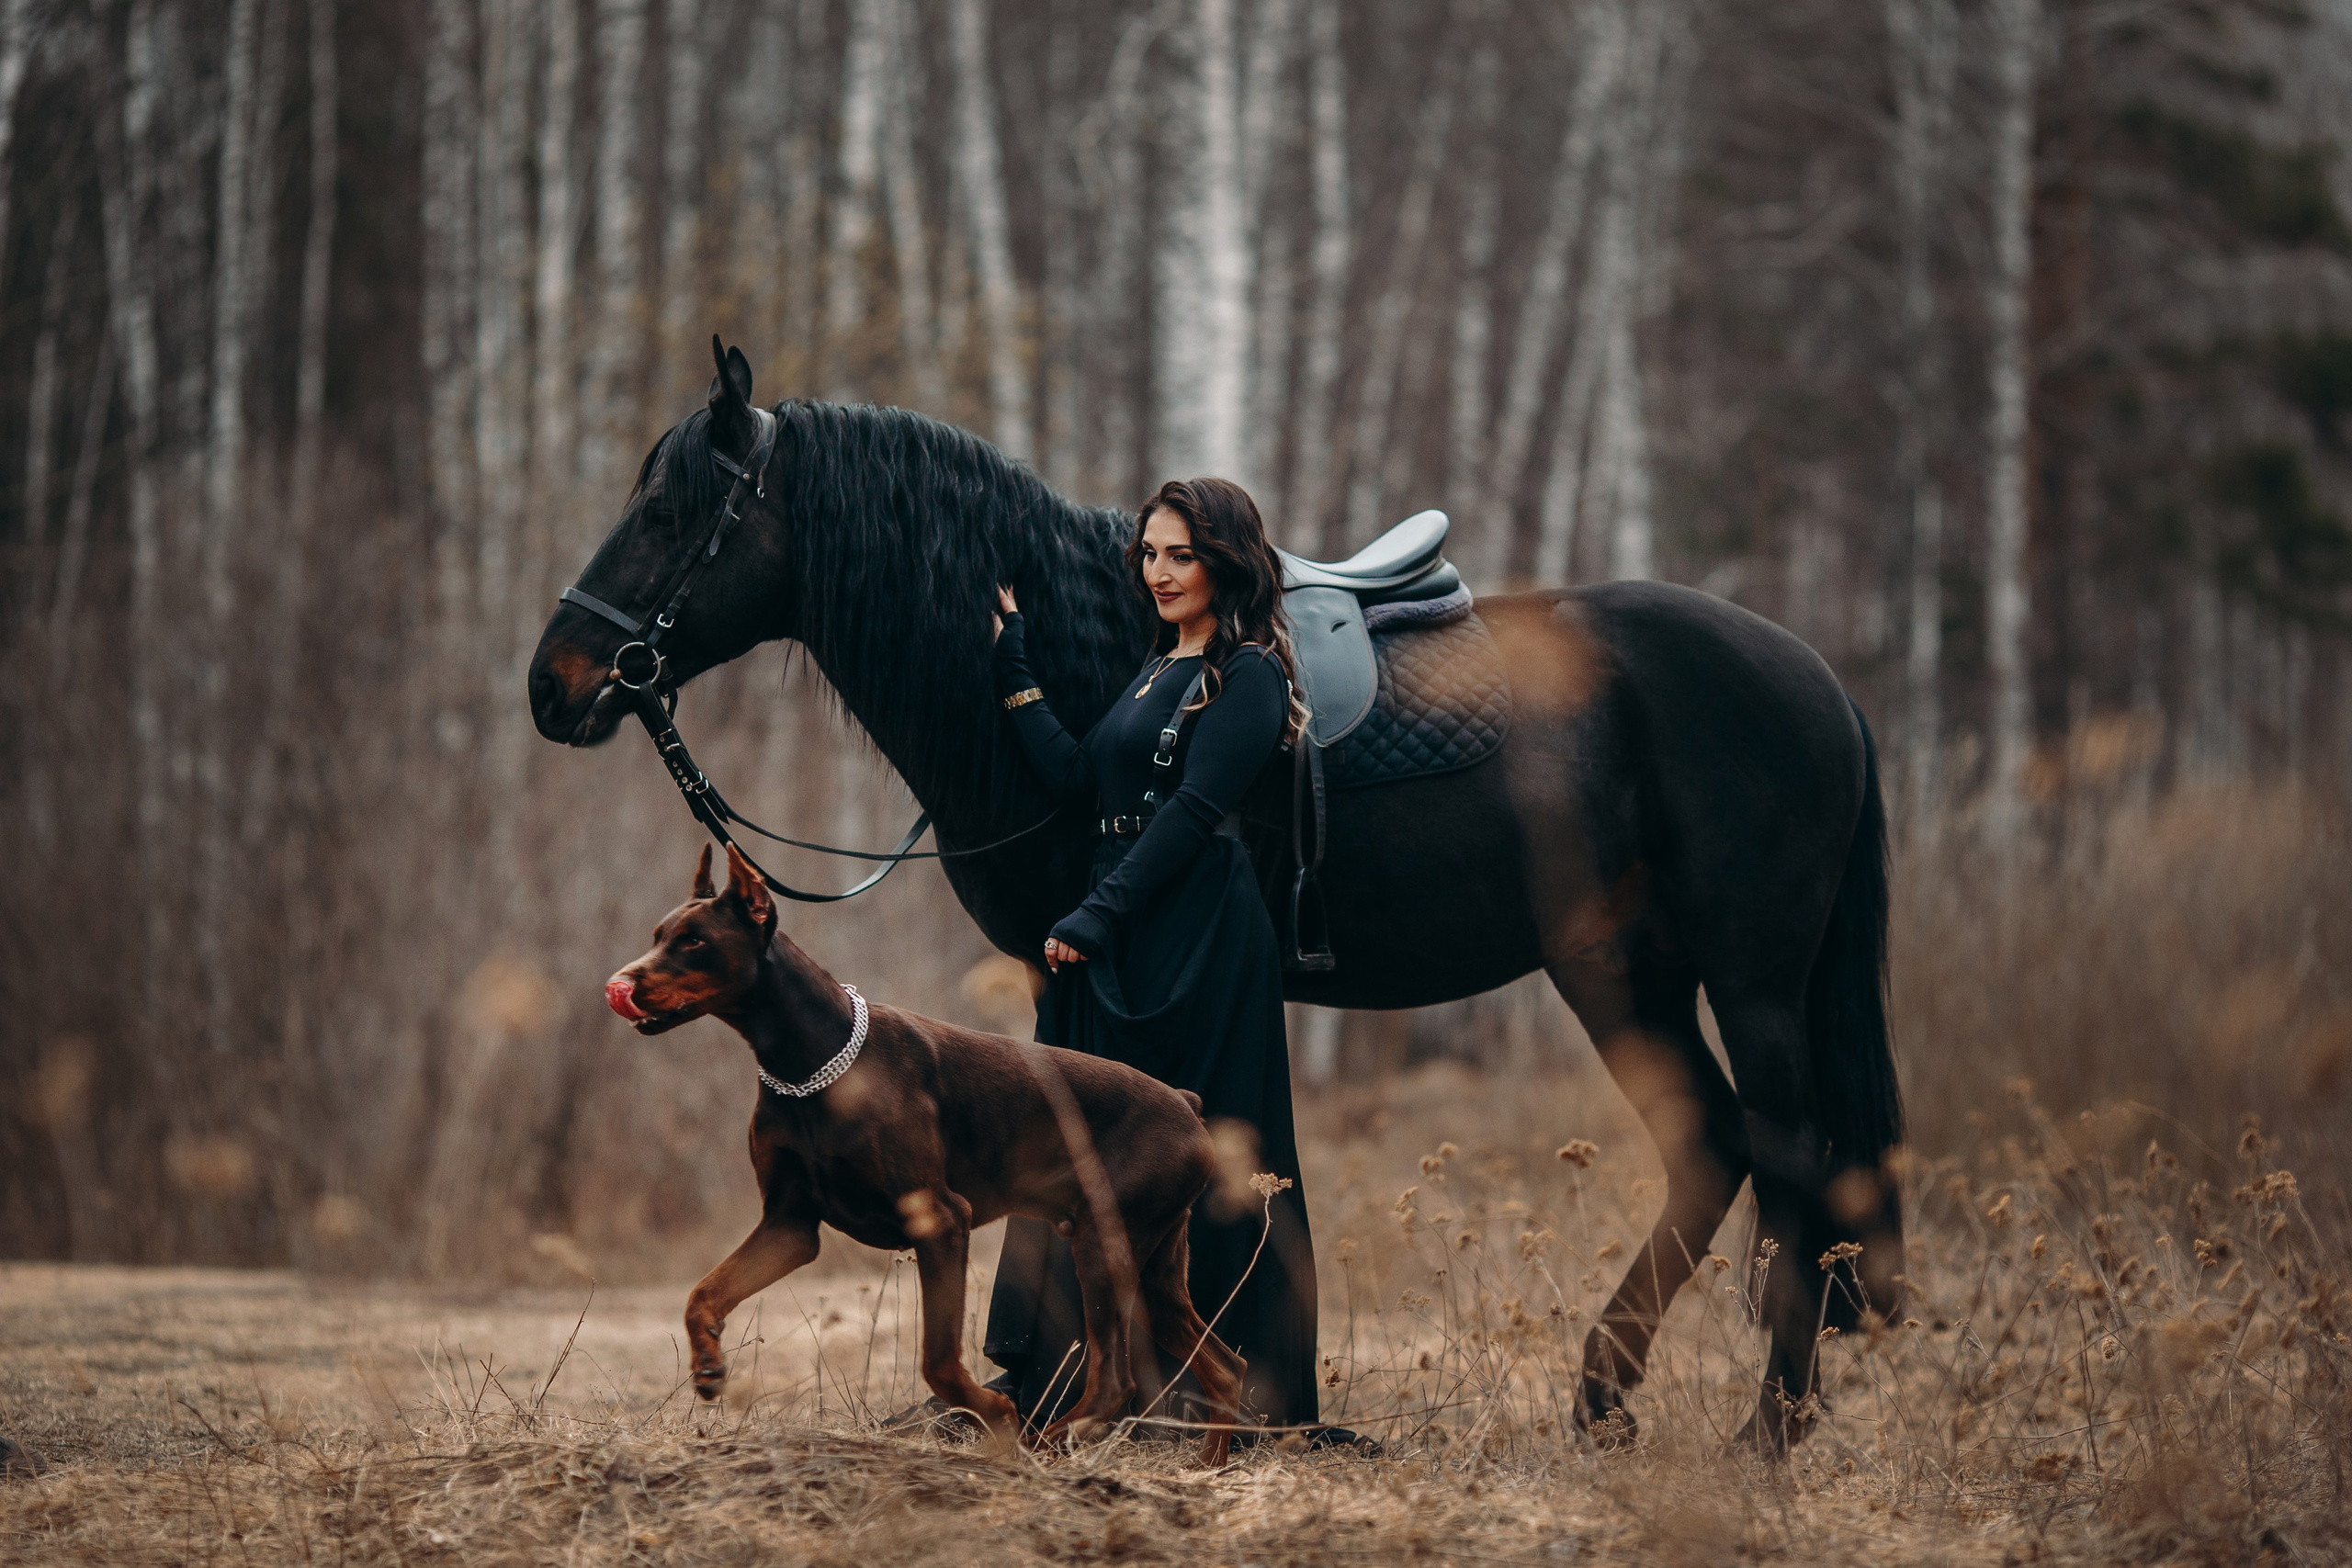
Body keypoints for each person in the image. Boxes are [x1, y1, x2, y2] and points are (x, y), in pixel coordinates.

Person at [982, 477, 1320, 1435]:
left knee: (1201, 1158)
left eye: (1182, 554)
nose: (1161, 573)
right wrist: (1013, 662)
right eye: (1149, 555)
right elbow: (1076, 777)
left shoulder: (1249, 674)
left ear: (1225, 559)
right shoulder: (1151, 667)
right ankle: (1062, 1383)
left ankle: (1231, 1393)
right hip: (1122, 916)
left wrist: (1094, 918)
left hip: (1198, 935)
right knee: (1074, 1148)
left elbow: (1195, 814)